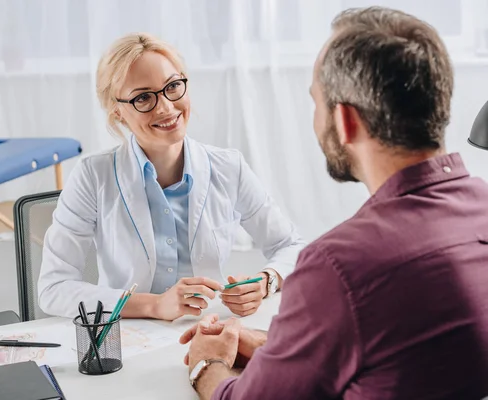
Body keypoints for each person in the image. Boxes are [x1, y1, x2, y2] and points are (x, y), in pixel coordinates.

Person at [180, 7, 488, 400]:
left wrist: (208, 364)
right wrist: (277, 346)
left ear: (345, 120)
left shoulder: (339, 267)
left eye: (316, 102)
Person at [37, 33, 306, 321]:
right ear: (117, 111)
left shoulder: (228, 167)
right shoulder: (93, 175)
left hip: (207, 329)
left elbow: (292, 246)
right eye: (143, 97)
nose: (166, 107)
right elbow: (54, 288)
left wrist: (266, 281)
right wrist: (153, 306)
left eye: (173, 86)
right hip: (124, 337)